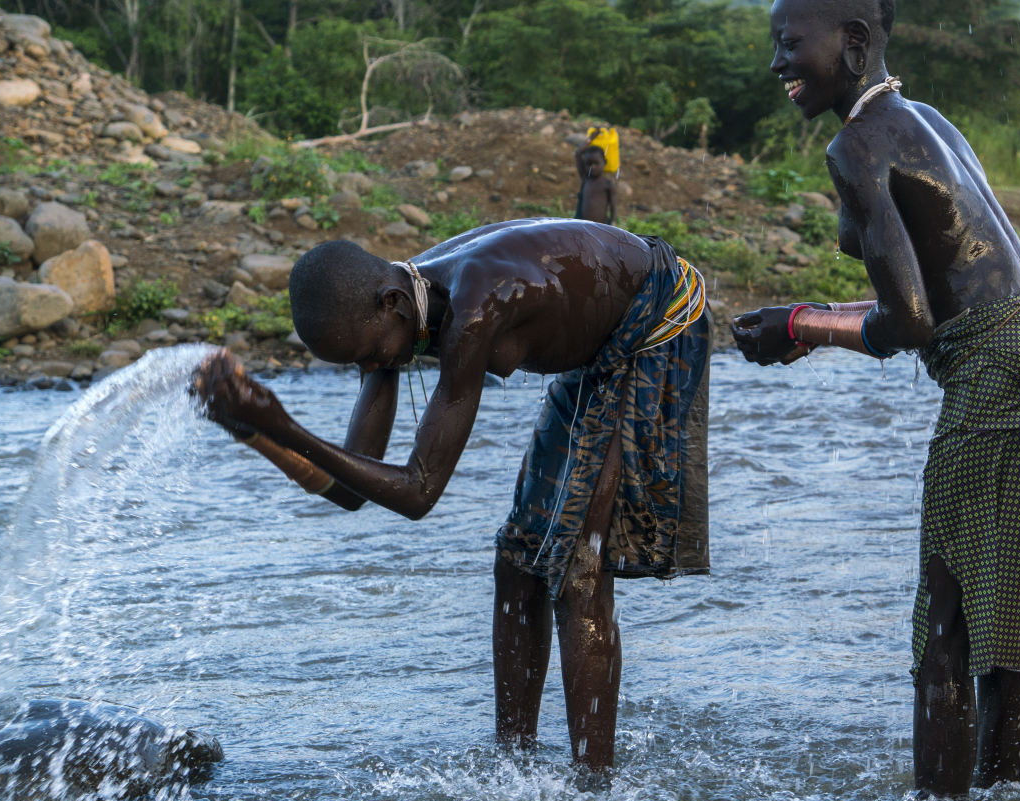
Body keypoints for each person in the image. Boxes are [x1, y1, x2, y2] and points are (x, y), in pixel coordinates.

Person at [731, 0, 1020, 797]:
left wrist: (804, 326)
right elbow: (935, 293)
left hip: (993, 380)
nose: (778, 62)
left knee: (947, 636)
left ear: (852, 44)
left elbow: (912, 323)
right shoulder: (926, 119)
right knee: (1000, 638)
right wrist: (813, 317)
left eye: (791, 42)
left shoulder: (855, 147)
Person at [192, 222, 710, 772]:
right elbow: (349, 493)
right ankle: (514, 768)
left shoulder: (473, 306)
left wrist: (282, 422)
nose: (374, 368)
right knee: (517, 562)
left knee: (580, 566)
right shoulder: (393, 314)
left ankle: (594, 788)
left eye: (370, 355)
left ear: (390, 303)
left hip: (659, 321)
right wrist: (252, 432)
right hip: (602, 348)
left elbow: (419, 492)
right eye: (359, 365)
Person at [573, 126, 620, 225]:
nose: (592, 167)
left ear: (605, 162)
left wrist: (613, 225)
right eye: (589, 164)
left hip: (600, 228)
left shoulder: (608, 184)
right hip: (582, 227)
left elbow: (613, 207)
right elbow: (578, 153)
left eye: (596, 163)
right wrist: (591, 138)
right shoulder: (586, 178)